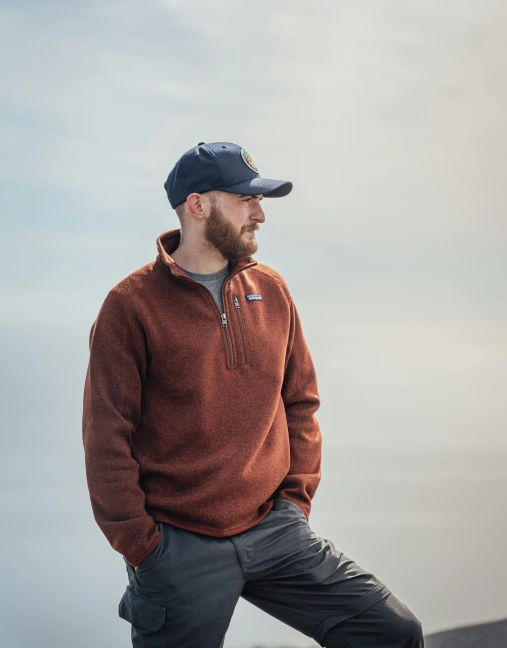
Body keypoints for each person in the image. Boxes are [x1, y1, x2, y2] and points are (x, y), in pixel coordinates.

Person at [82, 141, 424, 647]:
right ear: (198, 205)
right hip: (179, 547)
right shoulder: (130, 307)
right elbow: (106, 436)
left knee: (392, 632)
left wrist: (295, 501)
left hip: (274, 528)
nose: (260, 214)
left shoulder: (273, 291)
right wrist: (143, 546)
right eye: (246, 200)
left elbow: (301, 402)